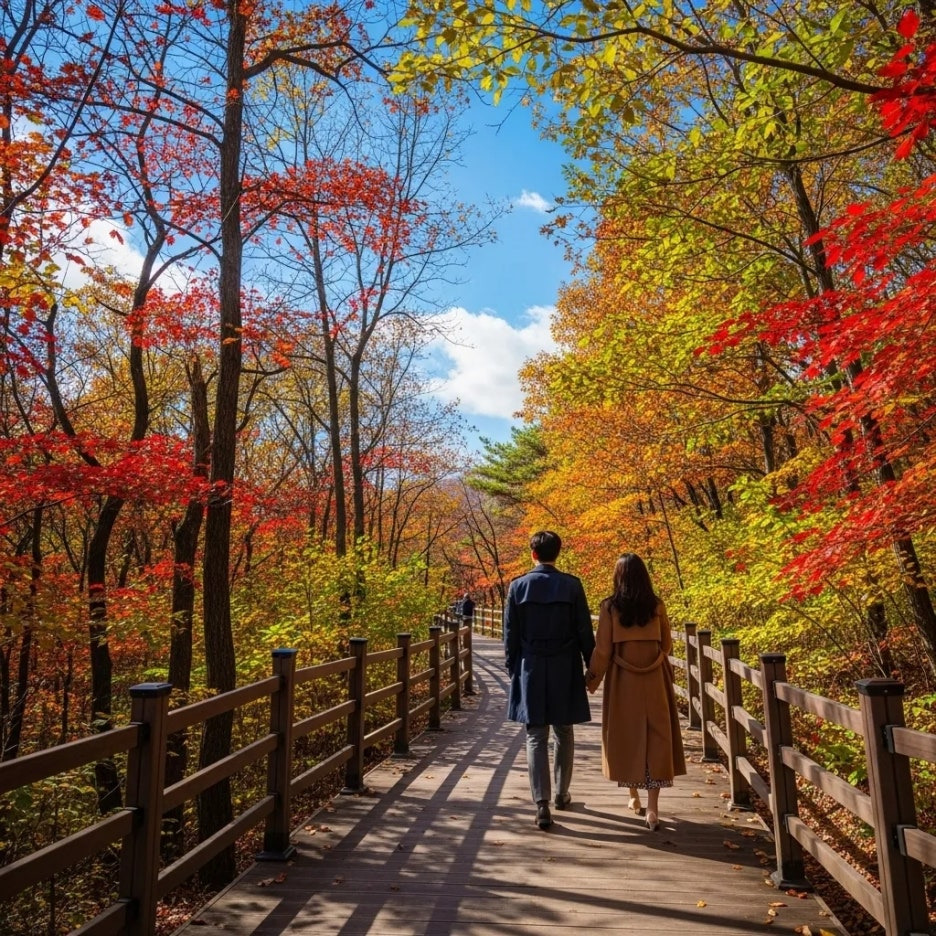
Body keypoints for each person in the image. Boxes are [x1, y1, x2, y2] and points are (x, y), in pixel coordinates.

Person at [586, 553, 686, 831]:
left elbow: (603, 649)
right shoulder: (657, 606)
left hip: (623, 680)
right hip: (655, 678)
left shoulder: (609, 607)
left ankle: (633, 796)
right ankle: (652, 808)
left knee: (626, 735)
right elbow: (667, 645)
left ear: (618, 577)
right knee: (657, 736)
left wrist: (592, 679)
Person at [504, 531, 595, 830]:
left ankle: (541, 802)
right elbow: (584, 631)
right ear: (558, 552)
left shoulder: (517, 587)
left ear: (533, 554)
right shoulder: (572, 586)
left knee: (535, 735)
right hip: (564, 666)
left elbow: (510, 636)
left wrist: (512, 669)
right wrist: (590, 666)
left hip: (530, 665)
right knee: (564, 730)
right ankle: (560, 793)